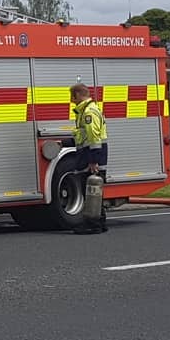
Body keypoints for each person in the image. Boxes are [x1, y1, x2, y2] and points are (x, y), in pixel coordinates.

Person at [70, 83, 108, 234]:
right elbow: (83, 136)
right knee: (95, 192)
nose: (71, 100)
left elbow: (94, 137)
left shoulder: (88, 113)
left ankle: (92, 225)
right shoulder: (88, 110)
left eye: (72, 96)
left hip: (90, 157)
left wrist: (93, 161)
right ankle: (99, 222)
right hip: (91, 155)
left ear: (78, 95)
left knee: (90, 191)